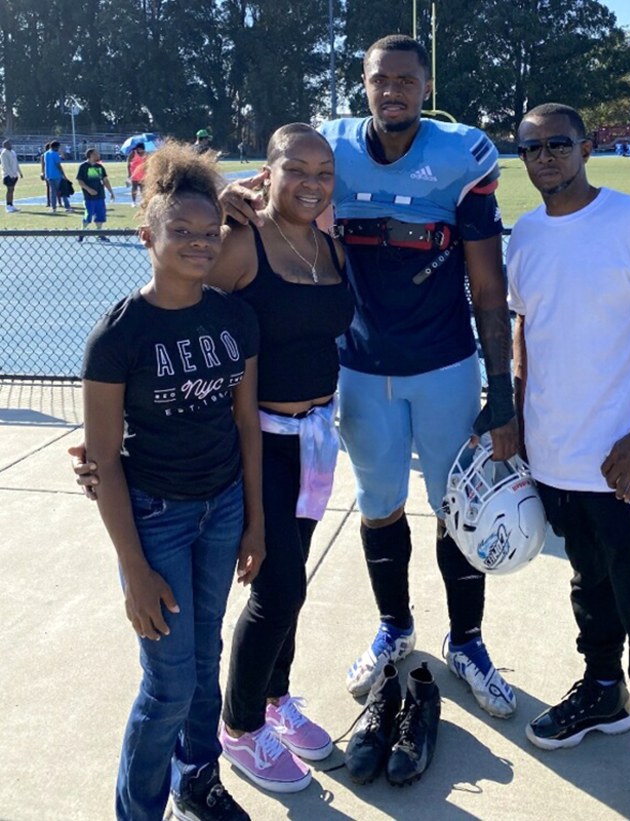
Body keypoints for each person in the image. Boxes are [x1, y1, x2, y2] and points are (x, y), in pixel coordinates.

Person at [223, 34, 519, 718]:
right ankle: (395, 626)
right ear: (364, 84)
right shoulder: (329, 147)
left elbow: (486, 282)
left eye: (406, 81)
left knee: (458, 510)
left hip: (444, 363)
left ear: (426, 86)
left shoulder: (459, 153)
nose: (393, 91)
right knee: (379, 503)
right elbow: (269, 192)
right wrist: (232, 192)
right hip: (358, 368)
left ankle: (469, 641)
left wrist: (499, 390)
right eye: (380, 79)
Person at [71, 124, 354, 795]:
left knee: (261, 609)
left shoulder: (313, 252)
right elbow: (182, 289)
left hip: (298, 448)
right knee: (237, 621)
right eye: (296, 170)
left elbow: (236, 389)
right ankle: (234, 731)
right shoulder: (222, 253)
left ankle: (246, 728)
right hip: (209, 475)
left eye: (325, 172)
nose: (312, 183)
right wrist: (129, 550)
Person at [506, 102, 630, 821]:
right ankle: (602, 692)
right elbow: (529, 330)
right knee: (590, 588)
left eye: (559, 144)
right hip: (558, 463)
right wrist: (522, 424)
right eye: (532, 148)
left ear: (585, 148)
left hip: (627, 470)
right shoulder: (525, 234)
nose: (546, 157)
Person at [81, 141, 261, 820]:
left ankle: (200, 779)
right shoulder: (118, 337)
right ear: (146, 235)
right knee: (168, 684)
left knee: (204, 657)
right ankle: (139, 809)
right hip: (156, 517)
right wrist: (134, 569)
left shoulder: (234, 317)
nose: (196, 242)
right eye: (179, 231)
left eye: (207, 231)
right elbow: (102, 463)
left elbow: (246, 424)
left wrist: (255, 521)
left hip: (222, 509)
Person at [75, 148, 116, 241]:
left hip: (100, 195)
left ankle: (99, 233)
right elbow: (80, 181)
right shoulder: (83, 166)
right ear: (90, 155)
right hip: (89, 197)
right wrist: (89, 190)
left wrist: (111, 192)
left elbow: (105, 180)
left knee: (100, 215)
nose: (98, 155)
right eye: (96, 154)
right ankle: (82, 232)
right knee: (88, 215)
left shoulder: (100, 167)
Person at [44, 140, 72, 213]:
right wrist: (63, 175)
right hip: (57, 175)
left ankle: (53, 208)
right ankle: (67, 207)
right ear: (56, 147)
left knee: (52, 192)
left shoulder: (46, 154)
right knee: (62, 191)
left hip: (49, 175)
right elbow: (58, 165)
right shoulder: (55, 154)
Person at [1, 139, 23, 212]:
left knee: (12, 190)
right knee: (9, 189)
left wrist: (19, 172)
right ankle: (8, 206)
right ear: (5, 146)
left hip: (14, 175)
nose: (11, 145)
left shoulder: (13, 152)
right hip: (8, 175)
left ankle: (11, 205)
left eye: (10, 144)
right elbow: (5, 166)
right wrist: (11, 175)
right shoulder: (4, 153)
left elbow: (16, 163)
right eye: (9, 144)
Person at [128, 142, 148, 207]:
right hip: (135, 173)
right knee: (134, 188)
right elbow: (128, 163)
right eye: (138, 149)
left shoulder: (145, 154)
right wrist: (129, 173)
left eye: (141, 149)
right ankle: (133, 202)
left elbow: (147, 163)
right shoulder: (133, 153)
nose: (139, 150)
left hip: (143, 173)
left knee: (143, 188)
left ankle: (143, 201)